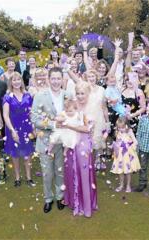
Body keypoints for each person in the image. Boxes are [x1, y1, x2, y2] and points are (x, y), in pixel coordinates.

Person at [31, 67, 66, 213]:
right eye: (53, 78)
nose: (56, 81)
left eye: (59, 78)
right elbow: (34, 118)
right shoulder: (40, 96)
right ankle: (48, 199)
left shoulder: (67, 95)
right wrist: (52, 125)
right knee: (47, 173)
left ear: (62, 79)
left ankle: (60, 197)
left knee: (60, 172)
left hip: (63, 142)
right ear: (49, 79)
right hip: (45, 142)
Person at [63, 81, 98, 217]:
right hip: (71, 143)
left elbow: (86, 128)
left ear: (88, 94)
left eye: (82, 93)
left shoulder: (91, 108)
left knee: (83, 174)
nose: (80, 96)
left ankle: (86, 206)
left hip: (83, 144)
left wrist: (68, 126)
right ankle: (74, 201)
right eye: (78, 93)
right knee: (71, 171)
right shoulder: (73, 105)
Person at [3, 72, 35, 187]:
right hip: (13, 128)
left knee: (28, 153)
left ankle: (29, 177)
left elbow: (31, 113)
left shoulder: (28, 95)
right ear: (10, 82)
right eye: (14, 80)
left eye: (18, 80)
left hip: (26, 128)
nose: (16, 82)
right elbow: (5, 115)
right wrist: (12, 130)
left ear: (21, 81)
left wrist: (33, 127)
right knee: (15, 154)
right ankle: (17, 177)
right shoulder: (7, 97)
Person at [111, 117, 141, 193]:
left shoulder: (129, 132)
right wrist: (116, 148)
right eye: (119, 127)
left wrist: (129, 146)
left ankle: (128, 185)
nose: (121, 129)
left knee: (128, 170)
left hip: (128, 154)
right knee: (120, 170)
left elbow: (135, 142)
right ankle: (121, 185)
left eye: (122, 127)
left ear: (127, 125)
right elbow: (117, 141)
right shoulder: (117, 131)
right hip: (120, 154)